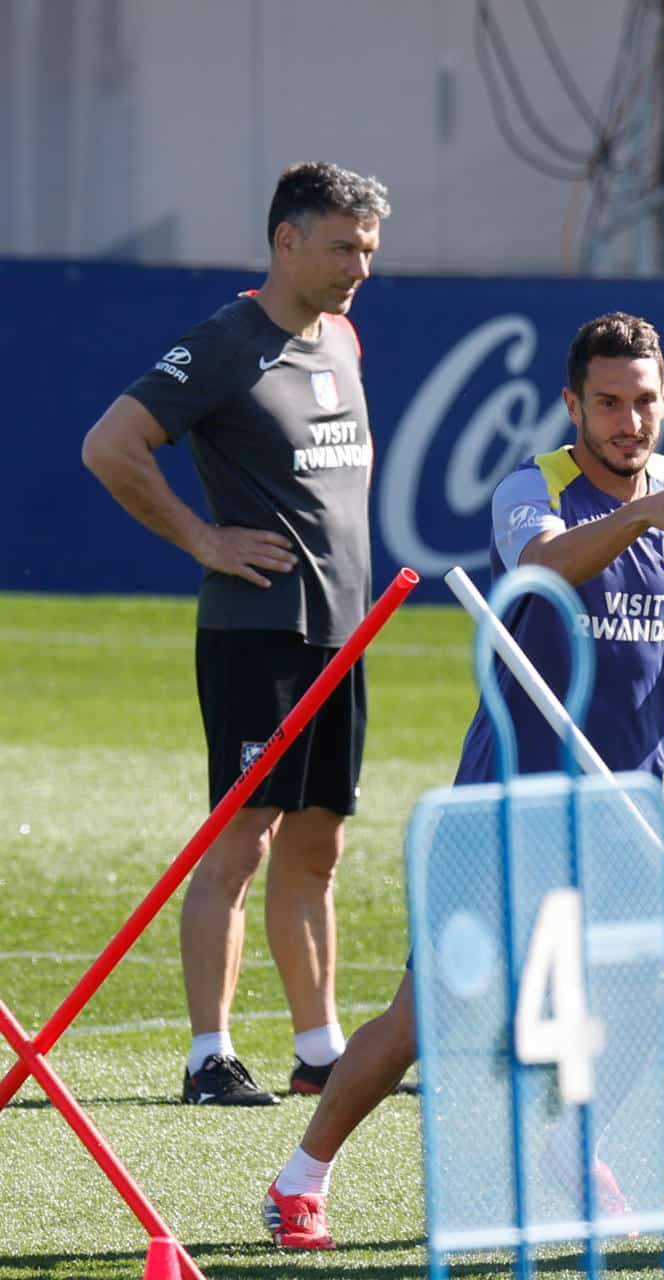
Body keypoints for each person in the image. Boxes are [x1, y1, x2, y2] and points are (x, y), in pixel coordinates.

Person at [262, 312, 664, 1248]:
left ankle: (573, 1145)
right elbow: (541, 568)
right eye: (608, 403)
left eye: (644, 402)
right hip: (509, 801)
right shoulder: (536, 486)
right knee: (426, 1016)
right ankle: (299, 1178)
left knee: (646, 998)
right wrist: (641, 514)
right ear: (573, 405)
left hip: (622, 804)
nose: (629, 422)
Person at [81, 162, 391, 1107]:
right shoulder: (225, 341)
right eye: (342, 247)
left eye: (369, 250)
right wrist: (203, 538)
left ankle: (320, 1050)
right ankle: (207, 1055)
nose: (358, 267)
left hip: (343, 634)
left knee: (318, 847)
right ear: (286, 240)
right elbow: (110, 446)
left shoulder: (341, 336)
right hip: (259, 633)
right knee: (242, 841)